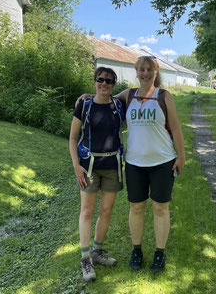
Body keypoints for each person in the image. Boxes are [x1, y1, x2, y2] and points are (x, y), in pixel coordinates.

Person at [77, 56, 186, 273]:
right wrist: (88, 96)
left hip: (162, 161)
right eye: (141, 69)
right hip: (134, 163)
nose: (145, 73)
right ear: (136, 72)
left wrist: (181, 156)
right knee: (136, 207)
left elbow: (175, 128)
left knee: (160, 208)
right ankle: (136, 250)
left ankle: (159, 253)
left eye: (149, 70)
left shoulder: (164, 96)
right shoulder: (129, 95)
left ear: (156, 72)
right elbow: (105, 98)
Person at [69, 67, 125, 282]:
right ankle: (85, 259)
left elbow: (135, 91)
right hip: (88, 166)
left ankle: (97, 251)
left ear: (114, 84)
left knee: (107, 210)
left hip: (112, 165)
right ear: (94, 81)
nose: (104, 84)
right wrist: (76, 165)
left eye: (109, 81)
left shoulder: (118, 105)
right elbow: (73, 138)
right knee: (87, 211)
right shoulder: (84, 105)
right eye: (100, 80)